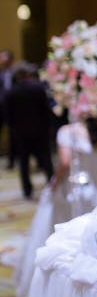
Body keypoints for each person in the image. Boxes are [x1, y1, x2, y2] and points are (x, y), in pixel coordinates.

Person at [14, 115, 97, 297]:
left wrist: (55, 182)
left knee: (63, 241)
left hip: (76, 193)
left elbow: (64, 162)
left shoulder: (66, 132)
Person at [3, 62, 53, 199]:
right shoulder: (38, 88)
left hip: (20, 133)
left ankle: (27, 190)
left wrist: (13, 130)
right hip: (40, 131)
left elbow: (7, 115)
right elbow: (46, 110)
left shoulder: (10, 92)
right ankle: (52, 185)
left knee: (23, 163)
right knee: (46, 160)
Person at [0, 49, 16, 168]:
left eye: (4, 58)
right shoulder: (0, 74)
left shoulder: (16, 73)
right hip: (1, 107)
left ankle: (13, 159)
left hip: (14, 108)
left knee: (14, 134)